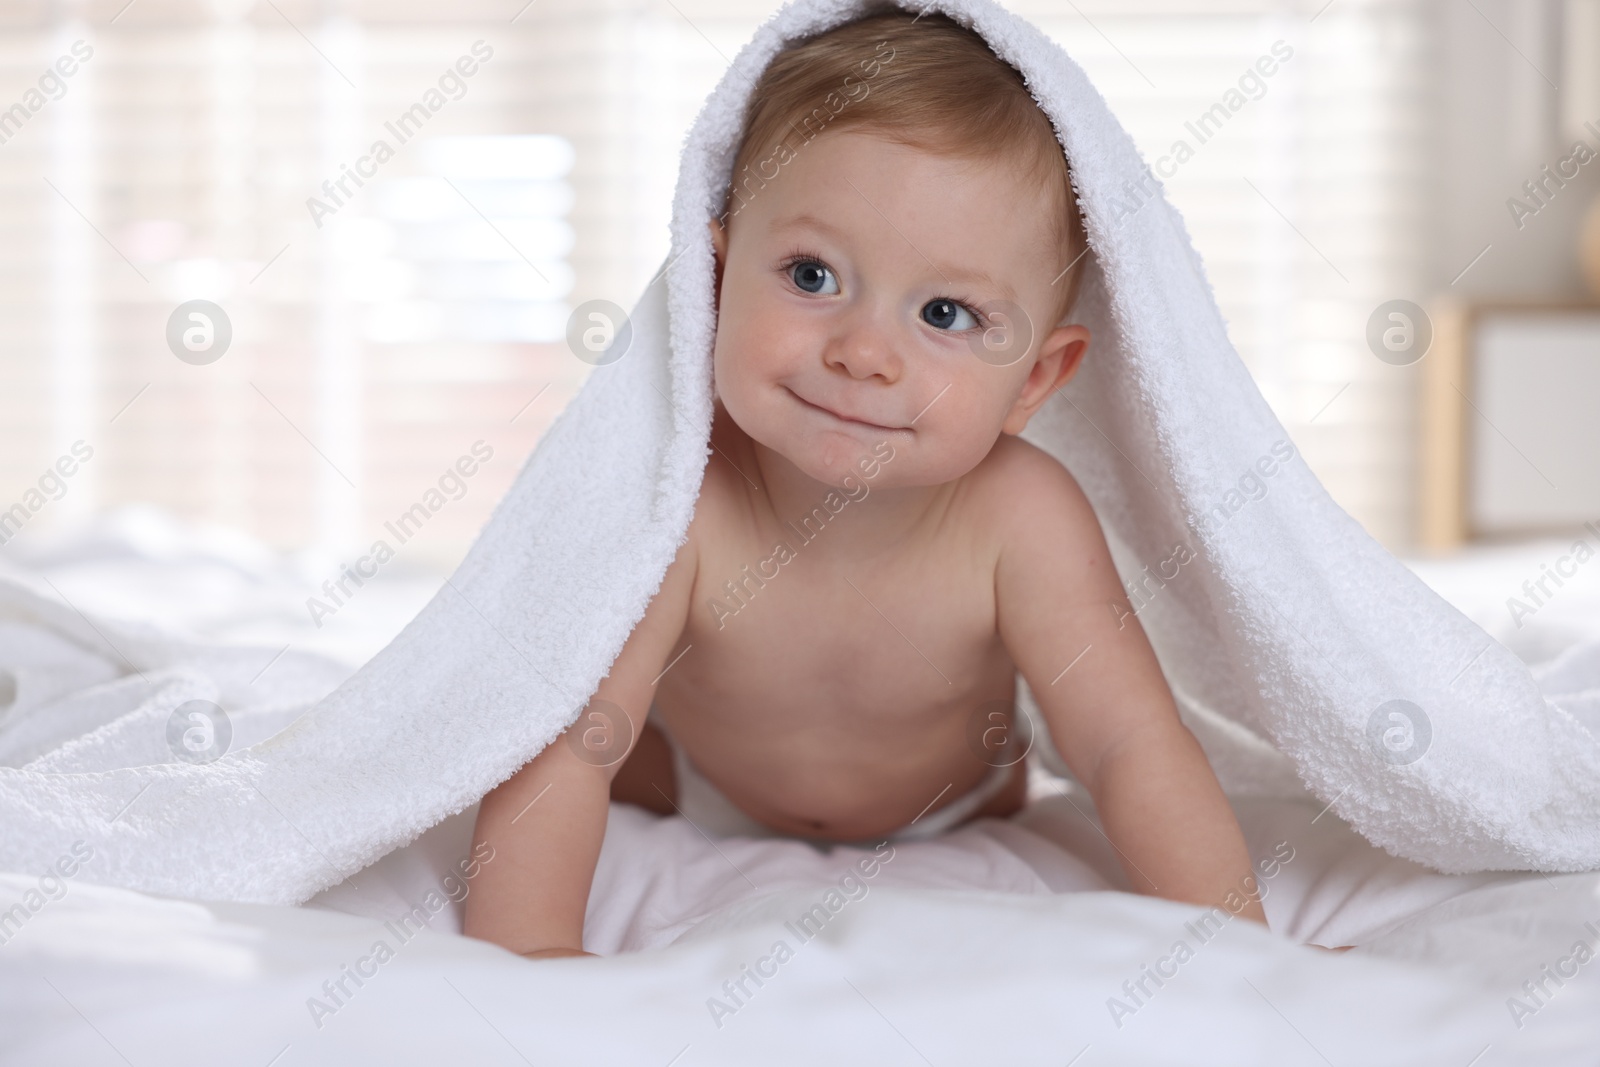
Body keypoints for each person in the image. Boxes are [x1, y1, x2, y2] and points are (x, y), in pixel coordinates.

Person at [463, 9, 1268, 959]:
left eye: (945, 311)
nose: (864, 352)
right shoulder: (684, 496)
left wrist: (1245, 947)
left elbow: (1128, 743)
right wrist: (528, 956)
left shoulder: (1022, 517)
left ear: (1037, 380)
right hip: (690, 782)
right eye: (811, 274)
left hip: (959, 801)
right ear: (712, 286)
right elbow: (570, 736)